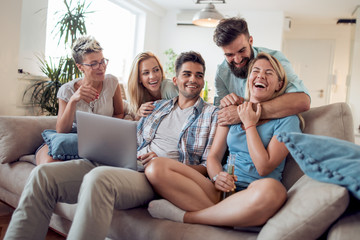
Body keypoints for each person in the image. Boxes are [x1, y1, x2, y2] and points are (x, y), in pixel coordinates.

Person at [4, 51, 218, 240]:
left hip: (151, 176)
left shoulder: (212, 115)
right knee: (43, 175)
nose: (193, 80)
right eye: (187, 74)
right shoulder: (157, 107)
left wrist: (165, 165)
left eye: (199, 75)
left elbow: (205, 166)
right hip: (123, 160)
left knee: (99, 179)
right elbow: (134, 136)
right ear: (175, 80)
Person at [146, 52, 302, 227]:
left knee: (274, 190)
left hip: (254, 194)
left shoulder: (289, 120)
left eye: (269, 73)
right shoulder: (231, 110)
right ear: (249, 79)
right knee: (156, 167)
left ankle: (187, 217)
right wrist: (217, 177)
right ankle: (232, 218)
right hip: (220, 192)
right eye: (255, 71)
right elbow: (213, 157)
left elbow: (264, 167)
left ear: (279, 84)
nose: (260, 76)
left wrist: (249, 124)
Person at [35, 35, 124, 165]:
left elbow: (119, 113)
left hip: (101, 140)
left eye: (102, 61)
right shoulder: (66, 90)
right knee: (49, 164)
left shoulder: (112, 82)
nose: (101, 67)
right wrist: (73, 100)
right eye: (93, 63)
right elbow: (61, 131)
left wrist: (107, 131)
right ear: (80, 67)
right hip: (73, 139)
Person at [213, 17, 310, 126]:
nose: (238, 60)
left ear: (250, 41)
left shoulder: (274, 59)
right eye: (229, 55)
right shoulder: (222, 73)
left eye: (242, 50)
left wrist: (245, 112)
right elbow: (220, 117)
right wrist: (224, 104)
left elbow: (302, 101)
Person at [127, 51, 178, 120]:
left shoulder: (169, 87)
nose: (152, 76)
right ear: (139, 78)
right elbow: (134, 124)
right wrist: (139, 114)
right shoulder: (140, 95)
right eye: (146, 73)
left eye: (156, 70)